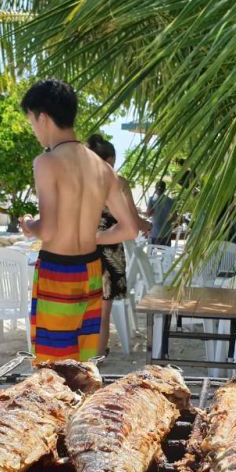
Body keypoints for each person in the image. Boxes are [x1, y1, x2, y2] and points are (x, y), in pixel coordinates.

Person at [18, 79, 139, 363]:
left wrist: (28, 226)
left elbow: (47, 229)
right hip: (91, 270)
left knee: (53, 369)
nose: (34, 130)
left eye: (32, 121)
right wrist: (92, 237)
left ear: (43, 117)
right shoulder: (102, 167)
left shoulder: (47, 162)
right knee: (83, 364)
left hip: (57, 272)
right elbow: (130, 228)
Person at [86, 134, 150, 356]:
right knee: (103, 313)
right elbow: (132, 221)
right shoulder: (118, 181)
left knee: (83, 309)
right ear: (112, 158)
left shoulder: (80, 182)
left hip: (81, 248)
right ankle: (98, 356)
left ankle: (84, 355)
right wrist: (150, 225)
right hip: (109, 249)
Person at [146, 180, 175, 246]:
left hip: (154, 233)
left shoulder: (152, 199)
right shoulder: (170, 201)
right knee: (165, 254)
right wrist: (167, 223)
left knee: (151, 254)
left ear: (155, 189)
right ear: (165, 189)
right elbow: (175, 217)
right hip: (166, 233)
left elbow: (148, 214)